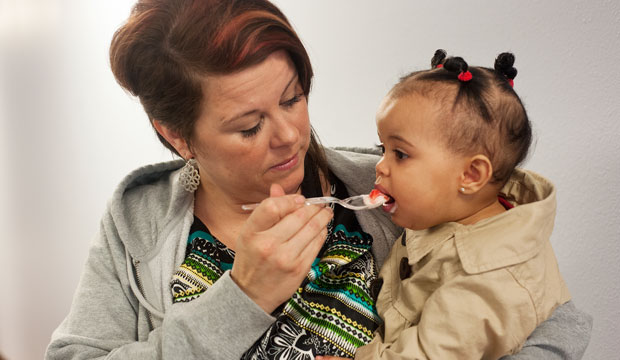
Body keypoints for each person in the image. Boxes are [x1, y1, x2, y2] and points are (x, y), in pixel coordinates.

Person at [45, 1, 592, 359]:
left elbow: (553, 324)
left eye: (294, 98)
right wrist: (241, 298)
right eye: (250, 126)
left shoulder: (402, 195)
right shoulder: (137, 221)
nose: (290, 136)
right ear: (178, 137)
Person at [321, 50, 578, 360]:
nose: (380, 166)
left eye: (400, 154)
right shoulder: (450, 210)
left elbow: (431, 353)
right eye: (382, 148)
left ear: (470, 175)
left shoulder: (488, 279)